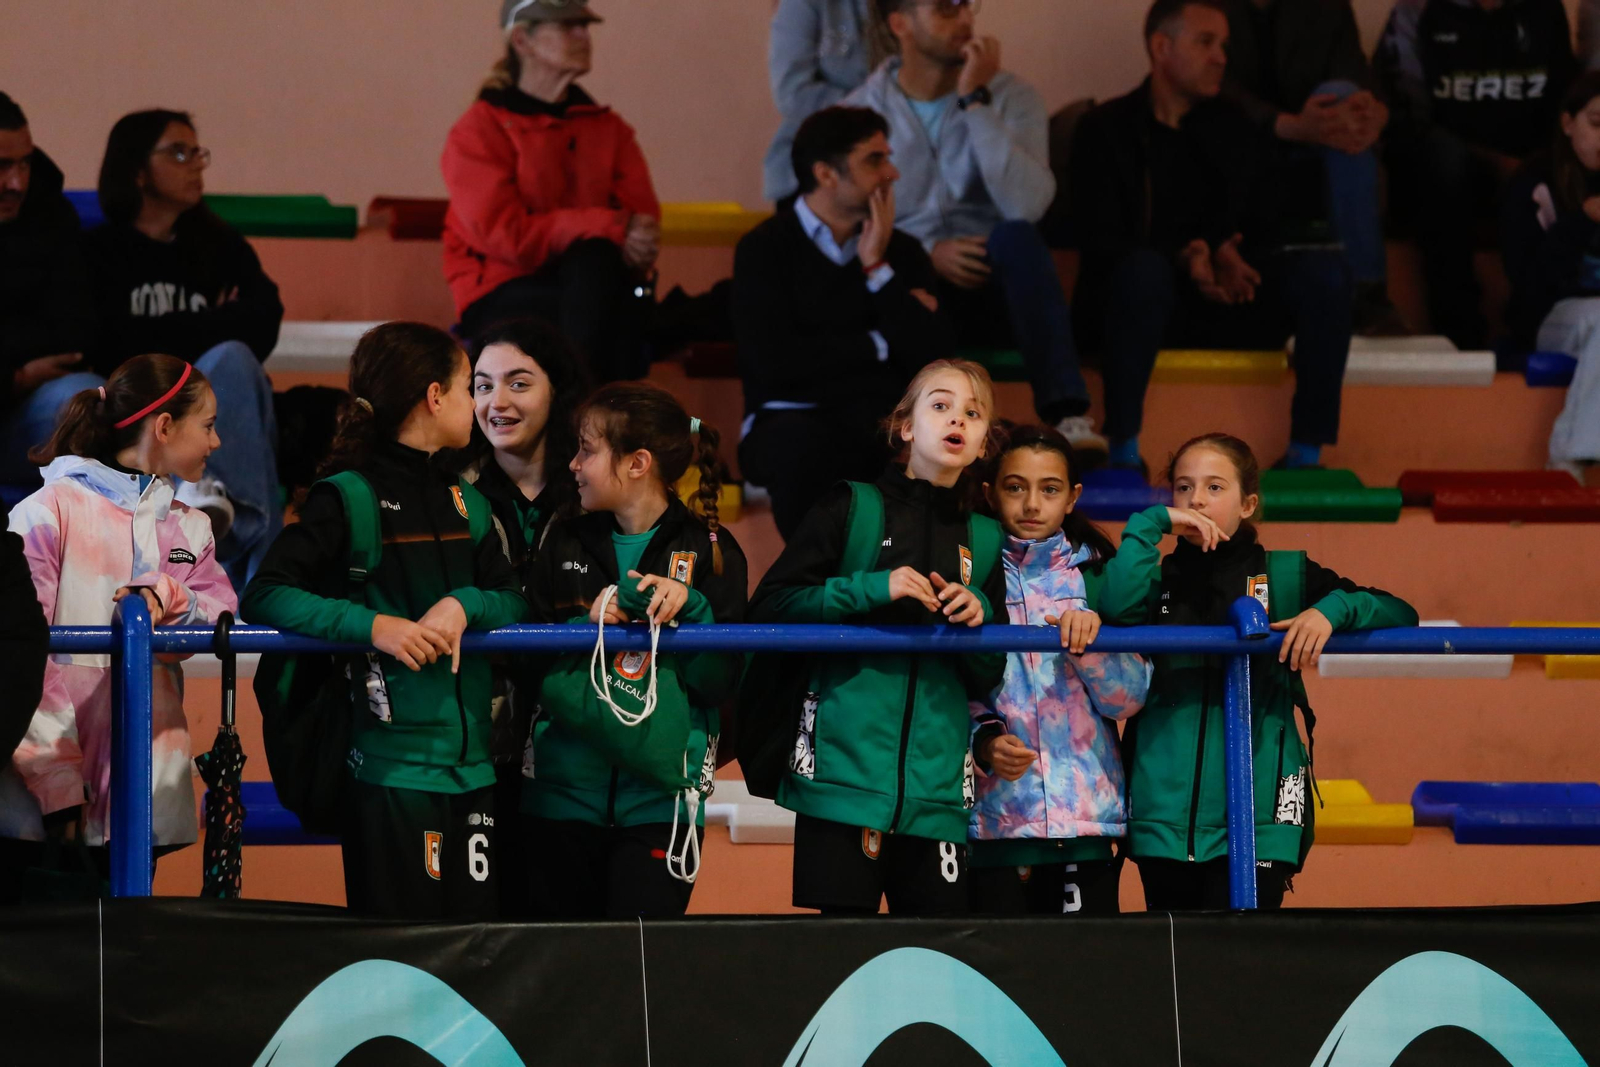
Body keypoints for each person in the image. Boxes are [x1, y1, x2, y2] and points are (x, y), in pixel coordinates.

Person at [241, 322, 528, 920]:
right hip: (391, 777)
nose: (477, 404)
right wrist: (376, 626)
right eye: (465, 386)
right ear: (433, 398)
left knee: (475, 964)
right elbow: (264, 594)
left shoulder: (468, 502)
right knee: (400, 967)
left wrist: (463, 604)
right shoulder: (346, 497)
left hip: (474, 773)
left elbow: (510, 599)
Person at [1099, 433, 1418, 909]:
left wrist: (1333, 610)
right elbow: (1113, 609)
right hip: (1162, 815)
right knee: (1177, 971)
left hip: (1261, 815)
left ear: (1248, 503)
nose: (1196, 500)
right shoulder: (1154, 576)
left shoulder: (1285, 574)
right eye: (1183, 489)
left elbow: (1400, 611)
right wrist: (1149, 524)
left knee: (1242, 966)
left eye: (1214, 487)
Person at [749, 360, 1006, 916]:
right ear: (905, 427)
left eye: (972, 412)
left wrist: (979, 617)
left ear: (985, 442)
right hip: (840, 786)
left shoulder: (986, 539)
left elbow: (992, 673)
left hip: (939, 795)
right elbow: (770, 609)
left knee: (938, 967)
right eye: (939, 406)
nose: (956, 419)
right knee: (842, 956)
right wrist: (868, 590)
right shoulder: (851, 506)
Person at [1069, 0, 1354, 473]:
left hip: (1227, 300)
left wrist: (1226, 251)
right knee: (1142, 272)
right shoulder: (1105, 129)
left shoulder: (1237, 130)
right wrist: (1186, 256)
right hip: (1139, 310)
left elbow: (1265, 222)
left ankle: (1307, 452)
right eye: (1206, 42)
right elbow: (1101, 238)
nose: (1222, 56)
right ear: (1161, 47)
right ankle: (1122, 448)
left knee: (1326, 275)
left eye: (1224, 45)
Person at [0, 354, 235, 894]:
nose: (217, 442)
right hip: (39, 808)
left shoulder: (190, 525)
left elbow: (221, 612)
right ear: (165, 426)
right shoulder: (48, 511)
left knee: (120, 969)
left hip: (141, 798)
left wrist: (166, 595)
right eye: (209, 425)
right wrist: (56, 783)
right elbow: (20, 657)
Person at [846, 0, 1107, 460]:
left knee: (1017, 236)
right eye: (947, 9)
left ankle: (1067, 412)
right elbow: (849, 221)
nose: (966, 20)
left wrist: (974, 101)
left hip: (996, 284)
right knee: (884, 263)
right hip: (913, 286)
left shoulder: (1011, 96)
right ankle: (893, 433)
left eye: (969, 6)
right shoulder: (859, 112)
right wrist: (927, 252)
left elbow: (1026, 205)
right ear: (899, 23)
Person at [523, 383, 747, 918]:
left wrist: (693, 610)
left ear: (638, 462)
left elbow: (720, 685)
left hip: (662, 809)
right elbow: (527, 658)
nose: (573, 464)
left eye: (587, 449)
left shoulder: (712, 552)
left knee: (638, 985)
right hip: (560, 801)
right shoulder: (563, 537)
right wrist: (586, 625)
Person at [84, 108, 284, 589]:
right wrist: (207, 324)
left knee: (232, 359)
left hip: (208, 404)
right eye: (178, 152)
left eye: (198, 152)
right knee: (215, 356)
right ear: (136, 169)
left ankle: (235, 538)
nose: (196, 163)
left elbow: (262, 320)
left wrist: (163, 332)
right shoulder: (97, 251)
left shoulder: (220, 246)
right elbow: (106, 342)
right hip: (139, 411)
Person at [735, 105, 950, 539]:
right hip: (788, 422)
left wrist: (877, 270)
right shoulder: (764, 250)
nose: (892, 172)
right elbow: (775, 366)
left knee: (947, 441)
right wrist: (879, 343)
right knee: (805, 446)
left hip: (878, 419)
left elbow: (932, 360)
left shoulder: (901, 253)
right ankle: (809, 592)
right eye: (875, 160)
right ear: (826, 174)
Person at [967, 425, 1151, 916]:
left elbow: (1129, 698)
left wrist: (1090, 646)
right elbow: (946, 684)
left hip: (1085, 826)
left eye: (1049, 489)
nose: (1031, 504)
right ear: (989, 493)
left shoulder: (1098, 575)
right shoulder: (968, 569)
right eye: (1015, 487)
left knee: (1080, 984)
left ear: (1073, 498)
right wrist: (982, 741)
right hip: (995, 822)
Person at [444, 0, 660, 383]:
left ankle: (591, 419)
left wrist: (628, 236)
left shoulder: (608, 128)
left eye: (584, 27)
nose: (583, 36)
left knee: (601, 274)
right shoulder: (480, 130)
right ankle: (594, 418)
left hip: (592, 282)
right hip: (501, 287)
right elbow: (506, 235)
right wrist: (606, 225)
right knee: (605, 293)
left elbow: (641, 221)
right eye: (567, 27)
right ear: (523, 40)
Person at [459, 317, 588, 915]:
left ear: (557, 392)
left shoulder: (596, 496)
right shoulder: (450, 494)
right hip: (478, 749)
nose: (496, 402)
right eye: (482, 385)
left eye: (518, 383)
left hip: (576, 751)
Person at [1376, 0, 1576, 351]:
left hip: (1526, 169)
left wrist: (1531, 164)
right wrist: (1492, 161)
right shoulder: (1417, 12)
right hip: (1441, 171)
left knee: (1556, 170)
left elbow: (1564, 108)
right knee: (1442, 163)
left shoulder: (1544, 11)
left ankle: (1539, 332)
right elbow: (1403, 120)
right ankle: (1459, 337)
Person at [1220, 0, 1398, 332]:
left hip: (1321, 143)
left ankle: (1366, 294)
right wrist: (1286, 125)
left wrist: (1368, 113)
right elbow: (1212, 88)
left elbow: (1354, 76)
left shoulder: (1327, 7)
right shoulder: (1203, 9)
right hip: (1238, 141)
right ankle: (1366, 293)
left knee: (1344, 96)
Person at [1502, 71, 1600, 482]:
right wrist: (1580, 223)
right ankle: (1568, 459)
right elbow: (1528, 286)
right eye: (1597, 123)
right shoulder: (1535, 183)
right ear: (1567, 123)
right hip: (1548, 319)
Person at [0, 92, 98, 486]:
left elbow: (76, 333)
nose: (17, 183)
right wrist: (17, 376)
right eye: (2, 166)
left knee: (88, 400)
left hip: (28, 418)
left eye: (25, 163)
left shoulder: (50, 216)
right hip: (19, 391)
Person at [764, 0, 884, 202]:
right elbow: (792, 93)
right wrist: (881, 105)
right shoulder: (805, 4)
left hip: (899, 166)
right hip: (817, 173)